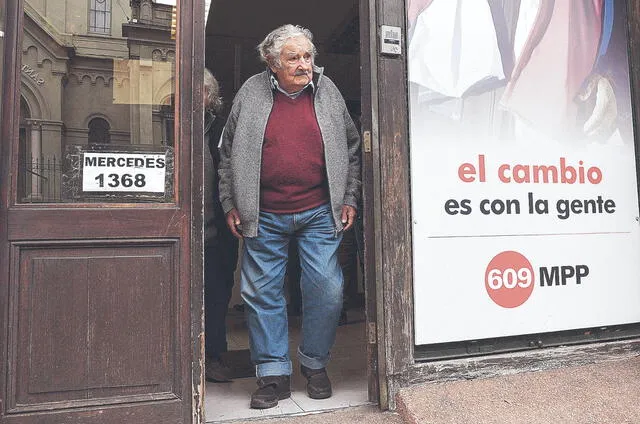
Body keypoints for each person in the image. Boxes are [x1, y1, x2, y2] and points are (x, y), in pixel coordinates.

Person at [218, 24, 361, 409]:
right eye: (293, 58)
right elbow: (228, 153)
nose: (304, 65)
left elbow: (351, 147)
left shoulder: (327, 92)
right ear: (272, 63)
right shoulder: (250, 92)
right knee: (262, 293)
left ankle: (314, 364)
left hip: (318, 209)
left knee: (327, 290)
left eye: (308, 56)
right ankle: (273, 374)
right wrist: (231, 202)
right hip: (263, 212)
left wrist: (348, 196)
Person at [203, 68, 239, 383]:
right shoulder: (168, 125)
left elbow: (233, 169)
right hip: (178, 233)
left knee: (216, 297)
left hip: (215, 233)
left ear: (211, 98)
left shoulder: (222, 129)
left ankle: (213, 357)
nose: (195, 96)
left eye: (203, 91)